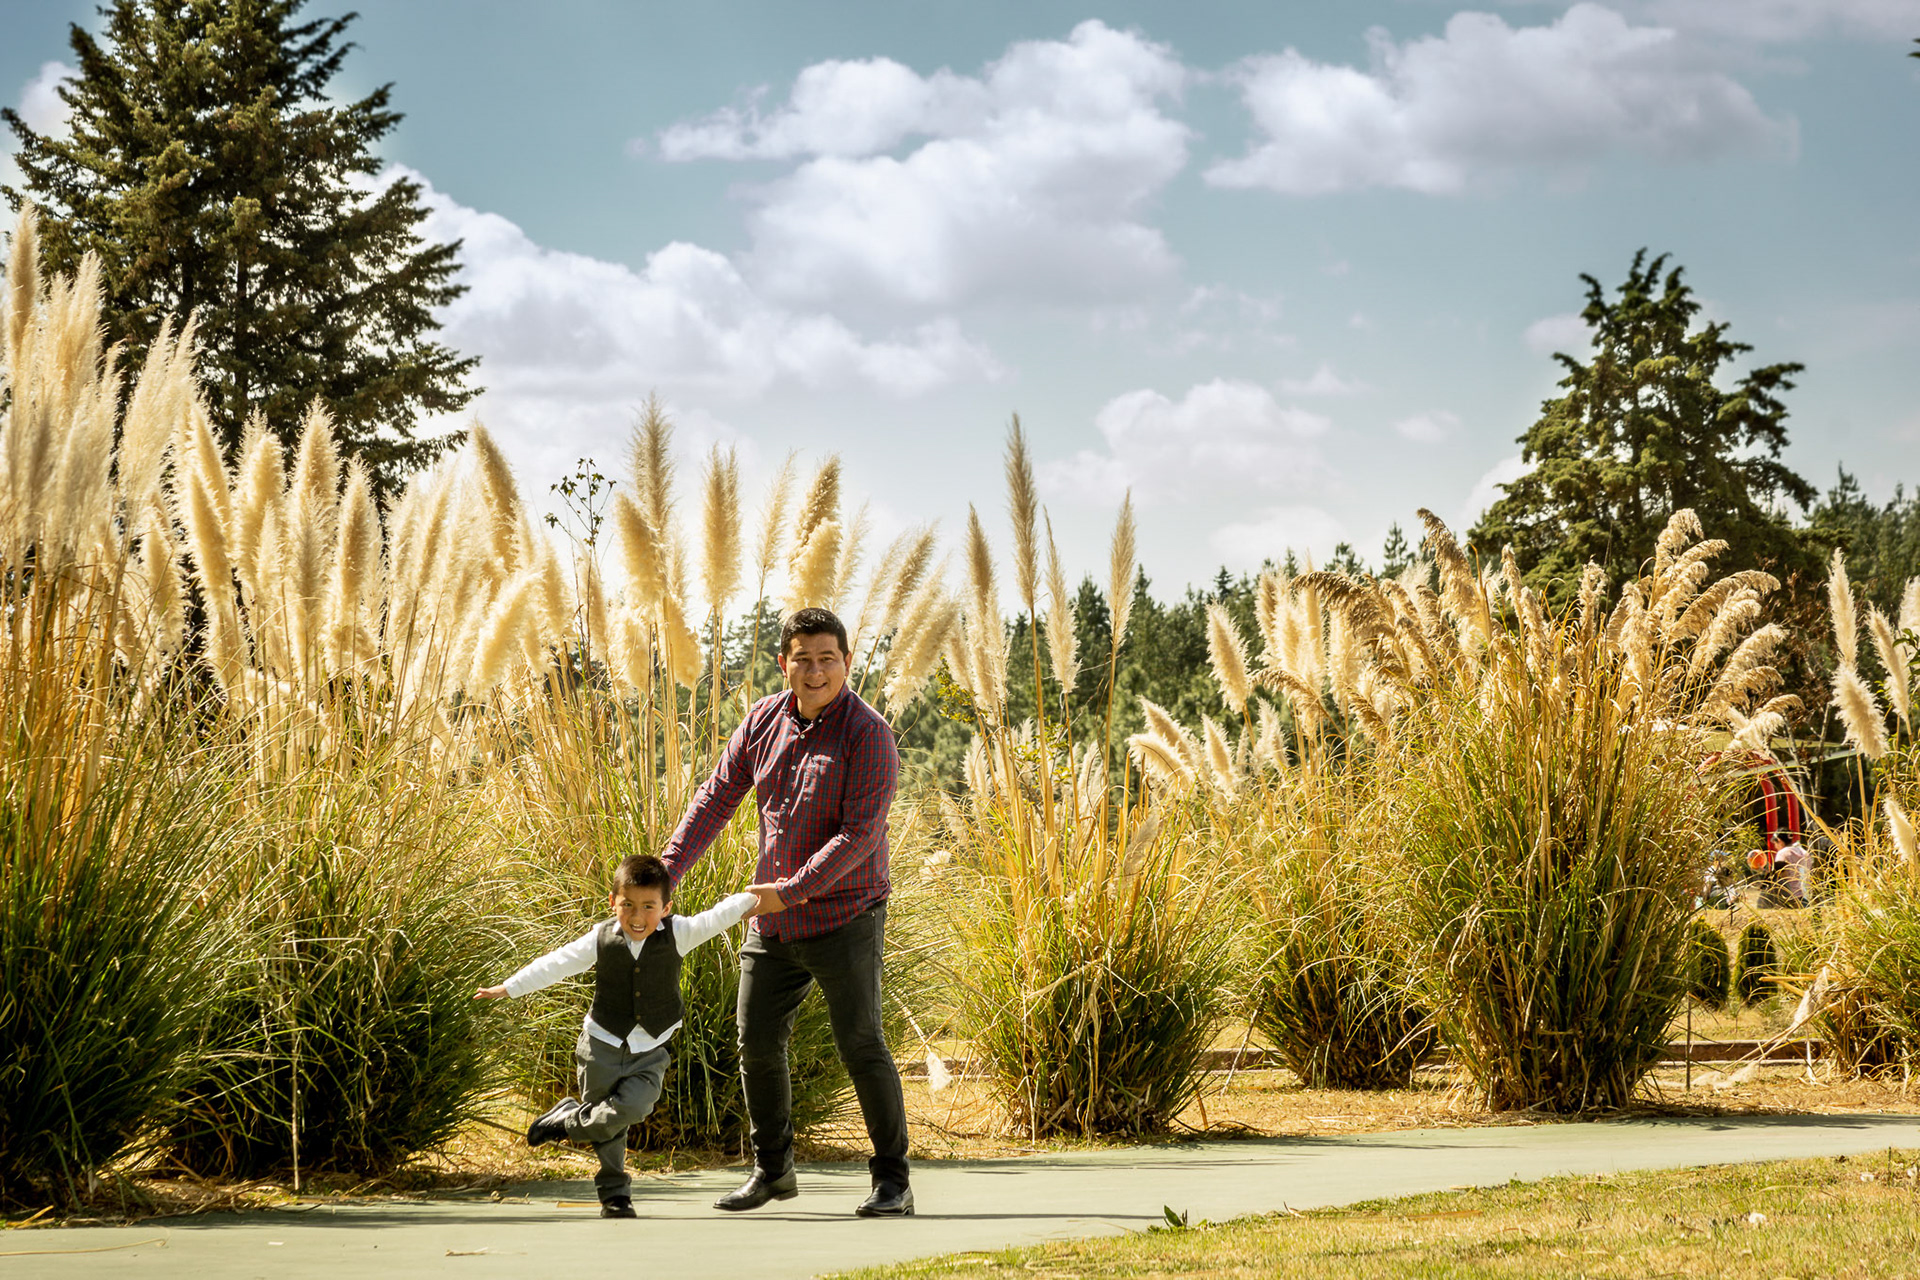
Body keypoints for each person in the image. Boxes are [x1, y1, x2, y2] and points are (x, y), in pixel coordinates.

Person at [660, 606, 912, 1218]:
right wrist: (665, 874)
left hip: (845, 917)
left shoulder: (868, 733)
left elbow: (859, 835)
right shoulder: (763, 720)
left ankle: (893, 1183)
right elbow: (717, 797)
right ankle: (773, 1171)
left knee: (861, 1043)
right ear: (784, 663)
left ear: (846, 663)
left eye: (828, 658)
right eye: (803, 658)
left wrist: (792, 889)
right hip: (772, 920)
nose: (816, 670)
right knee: (756, 1042)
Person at [475, 853, 765, 1218]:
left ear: (666, 907)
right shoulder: (600, 939)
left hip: (650, 1047)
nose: (638, 916)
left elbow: (718, 916)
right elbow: (557, 963)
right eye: (627, 905)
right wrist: (510, 987)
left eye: (649, 906)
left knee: (633, 1107)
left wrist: (755, 898)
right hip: (600, 1044)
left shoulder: (680, 933)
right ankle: (614, 1195)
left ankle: (566, 1121)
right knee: (608, 1127)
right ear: (613, 903)